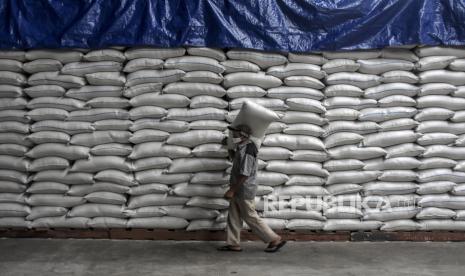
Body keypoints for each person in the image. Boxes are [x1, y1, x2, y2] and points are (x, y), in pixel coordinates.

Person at [217, 124, 286, 253]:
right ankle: (233, 244)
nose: (233, 136)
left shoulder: (249, 149)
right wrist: (229, 147)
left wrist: (232, 190)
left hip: (244, 188)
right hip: (238, 187)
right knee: (234, 215)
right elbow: (235, 161)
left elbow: (245, 173)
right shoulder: (241, 147)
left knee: (250, 215)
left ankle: (274, 239)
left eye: (236, 133)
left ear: (243, 135)